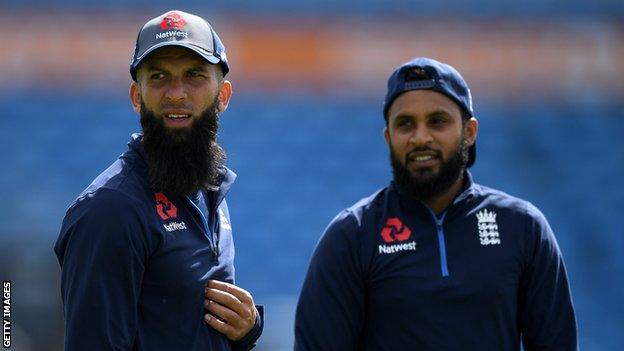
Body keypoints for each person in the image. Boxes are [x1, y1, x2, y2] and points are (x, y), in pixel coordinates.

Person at [294, 57, 577, 350]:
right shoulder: (352, 235)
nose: (421, 137)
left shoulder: (523, 227)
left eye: (437, 121)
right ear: (389, 137)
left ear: (469, 132)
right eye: (406, 124)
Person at [54, 10, 263, 350]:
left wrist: (247, 331)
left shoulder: (208, 188)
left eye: (194, 75)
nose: (176, 93)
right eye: (159, 76)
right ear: (137, 97)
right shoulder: (111, 210)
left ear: (223, 96)